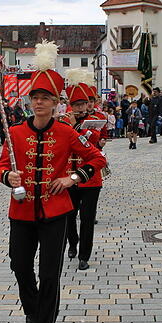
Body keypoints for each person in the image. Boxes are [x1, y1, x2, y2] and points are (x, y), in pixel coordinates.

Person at [0, 41, 106, 323]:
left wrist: (71, 178)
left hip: (57, 212)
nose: (40, 102)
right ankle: (31, 307)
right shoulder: (15, 132)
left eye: (46, 98)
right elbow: (2, 168)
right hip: (21, 211)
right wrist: (9, 177)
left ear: (56, 103)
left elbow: (96, 159)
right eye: (36, 97)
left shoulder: (67, 132)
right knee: (19, 266)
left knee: (50, 274)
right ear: (30, 101)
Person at [62, 69, 106, 271]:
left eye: (82, 104)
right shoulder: (64, 121)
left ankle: (84, 255)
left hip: (90, 178)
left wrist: (76, 127)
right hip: (69, 177)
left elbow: (95, 140)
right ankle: (72, 242)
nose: (80, 108)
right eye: (76, 105)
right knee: (69, 216)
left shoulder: (94, 121)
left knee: (87, 218)